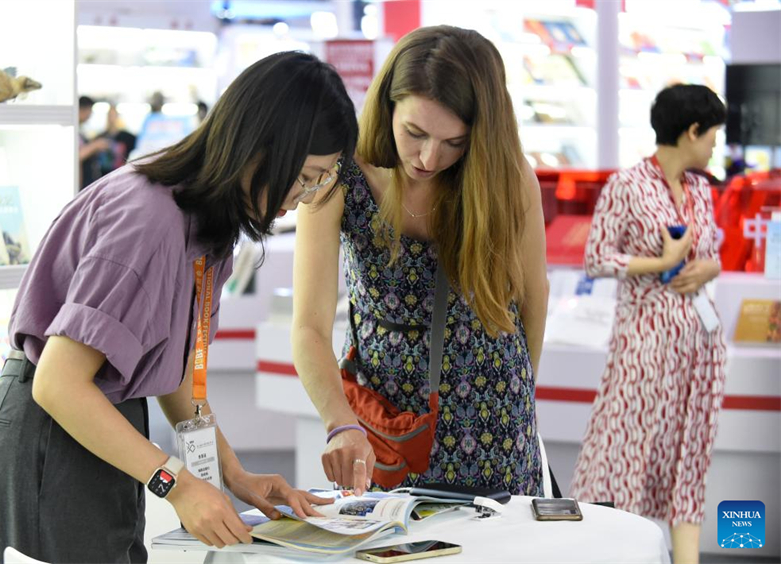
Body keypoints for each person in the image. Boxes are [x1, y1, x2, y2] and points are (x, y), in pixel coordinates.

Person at [0, 51, 358, 564]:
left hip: (99, 425)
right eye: (306, 175)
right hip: (53, 432)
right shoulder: (150, 220)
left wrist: (231, 474)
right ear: (264, 147)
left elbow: (178, 370)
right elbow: (58, 383)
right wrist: (174, 483)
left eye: (321, 180)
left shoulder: (208, 221)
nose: (305, 196)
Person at [292, 26, 548, 497]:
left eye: (455, 142)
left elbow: (533, 295)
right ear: (387, 103)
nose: (430, 157)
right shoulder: (338, 177)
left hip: (496, 425)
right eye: (415, 133)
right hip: (388, 430)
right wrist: (338, 422)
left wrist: (521, 397)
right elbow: (308, 327)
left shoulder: (506, 177)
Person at [570, 84, 727, 564]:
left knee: (690, 461)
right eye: (713, 133)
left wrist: (708, 267)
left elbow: (711, 251)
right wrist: (658, 264)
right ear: (692, 130)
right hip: (644, 350)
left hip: (700, 348)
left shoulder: (702, 188)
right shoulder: (628, 185)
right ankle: (614, 553)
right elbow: (596, 257)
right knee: (625, 458)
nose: (716, 144)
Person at [95, 102, 137, 177]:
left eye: (114, 115)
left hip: (121, 175)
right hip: (103, 176)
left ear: (118, 116)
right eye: (110, 115)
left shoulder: (128, 137)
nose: (112, 118)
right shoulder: (99, 137)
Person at [78, 95, 110, 189]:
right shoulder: (72, 131)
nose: (90, 114)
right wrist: (95, 145)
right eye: (90, 110)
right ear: (82, 109)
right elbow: (77, 156)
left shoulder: (80, 130)